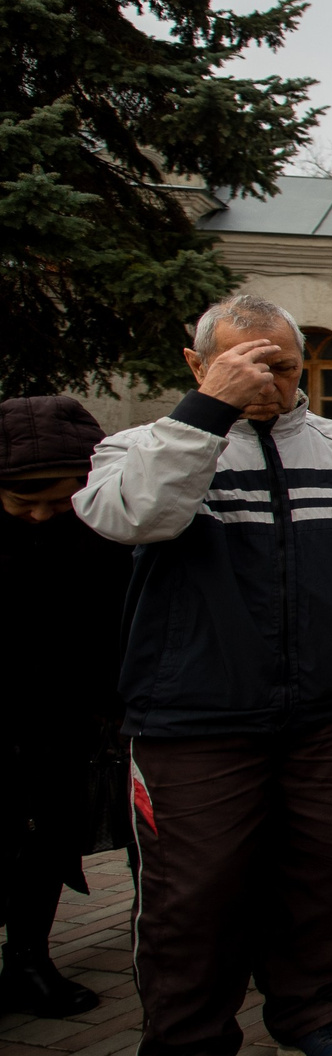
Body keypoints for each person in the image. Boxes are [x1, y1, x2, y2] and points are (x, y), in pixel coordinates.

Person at [77, 295, 332, 1056]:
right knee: (193, 894)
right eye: (244, 364)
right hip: (194, 717)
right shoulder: (142, 448)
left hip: (328, 708)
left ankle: (312, 1010)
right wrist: (209, 413)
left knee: (322, 869)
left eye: (282, 366)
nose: (267, 381)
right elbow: (135, 517)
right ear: (198, 365)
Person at [0, 398, 130, 1019]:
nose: (39, 513)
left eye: (57, 499)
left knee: (47, 839)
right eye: (22, 499)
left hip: (65, 718)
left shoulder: (100, 534)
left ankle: (28, 959)